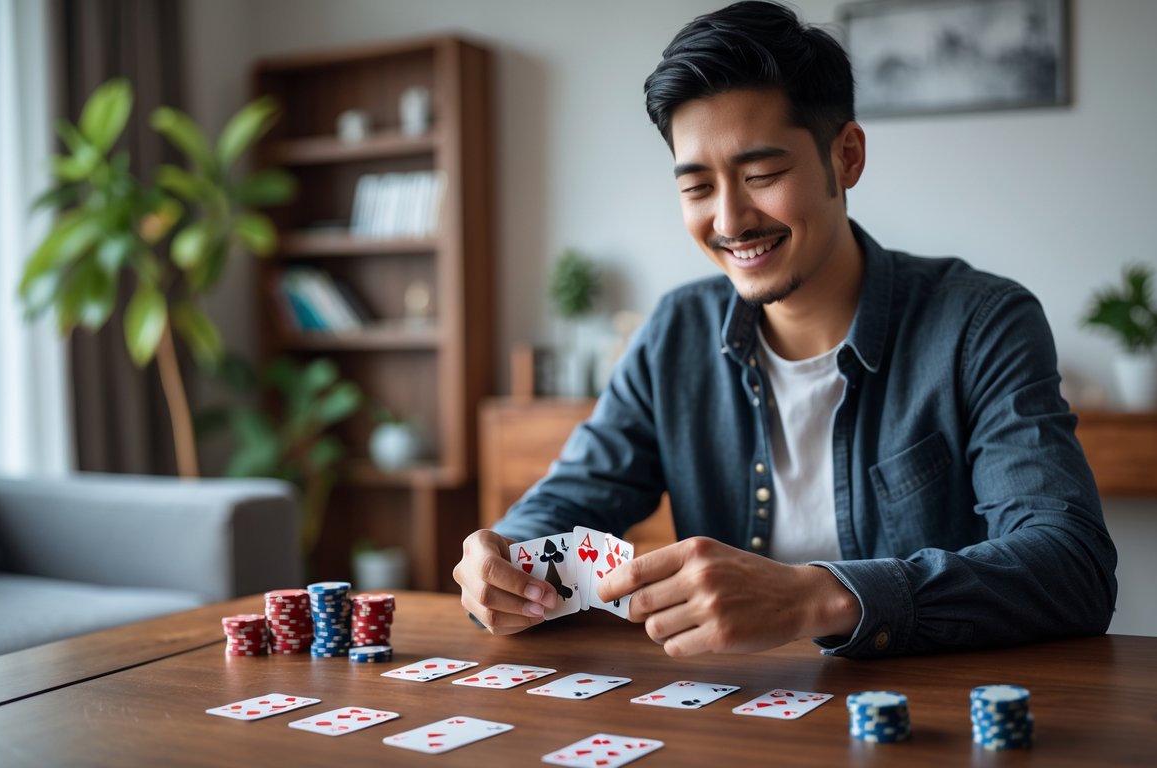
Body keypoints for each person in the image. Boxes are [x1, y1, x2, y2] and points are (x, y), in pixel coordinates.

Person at [453, 0, 1117, 659]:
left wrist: (812, 598)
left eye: (761, 176)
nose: (729, 221)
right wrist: (502, 558)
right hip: (735, 702)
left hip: (930, 708)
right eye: (696, 188)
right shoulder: (675, 332)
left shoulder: (982, 324)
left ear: (846, 157)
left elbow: (1072, 567)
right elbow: (570, 499)